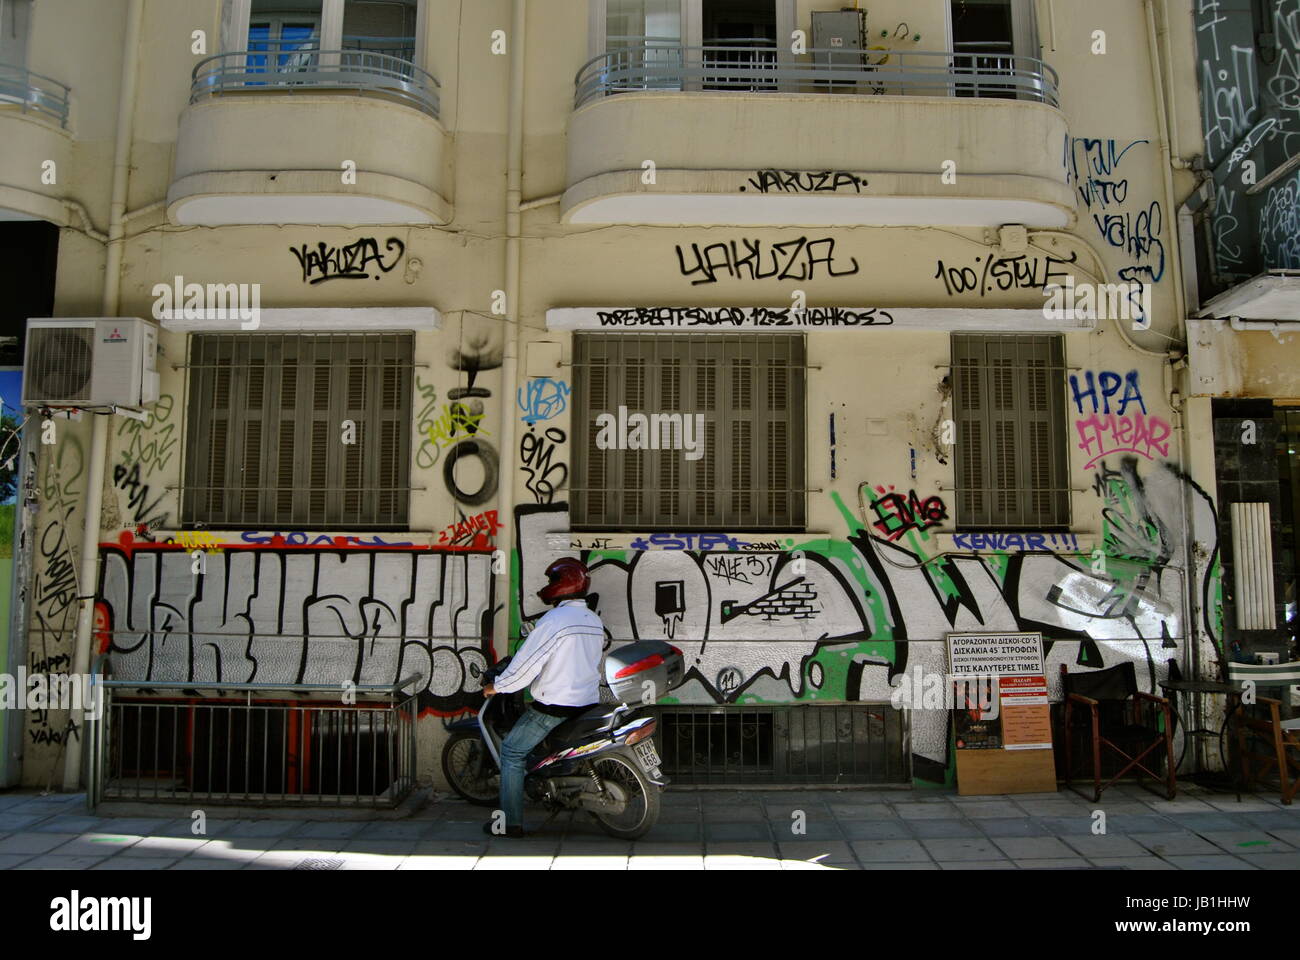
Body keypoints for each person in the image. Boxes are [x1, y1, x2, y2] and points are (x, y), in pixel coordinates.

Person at [482, 557, 604, 837]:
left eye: (552, 581)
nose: (548, 586)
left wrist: (497, 686)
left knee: (512, 752)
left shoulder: (554, 621)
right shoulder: (593, 620)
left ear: (562, 586)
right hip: (586, 702)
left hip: (555, 705)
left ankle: (509, 823)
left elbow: (525, 666)